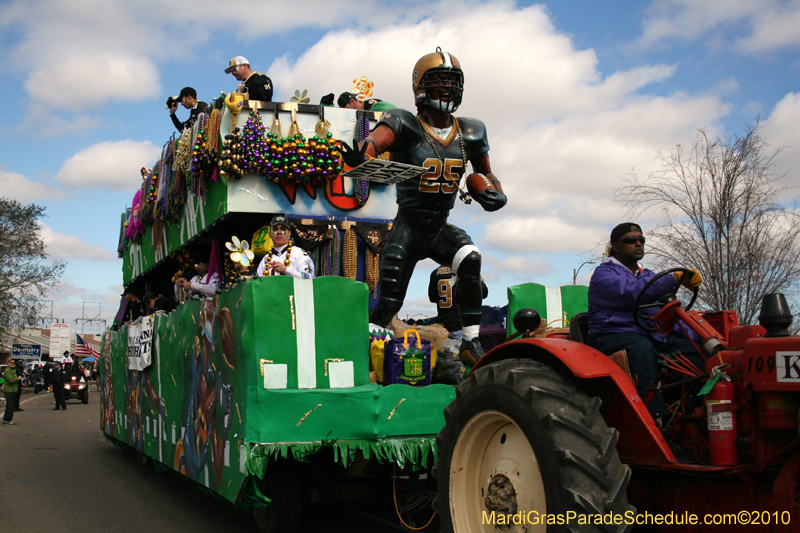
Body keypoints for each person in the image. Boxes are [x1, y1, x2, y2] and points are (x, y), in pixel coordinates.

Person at [343, 48, 507, 366]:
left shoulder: (471, 131)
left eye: (452, 82)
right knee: (389, 306)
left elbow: (487, 174)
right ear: (421, 85)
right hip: (408, 228)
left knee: (471, 258)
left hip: (438, 227)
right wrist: (363, 153)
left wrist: (497, 194)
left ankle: (470, 341)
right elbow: (375, 142)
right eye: (439, 81)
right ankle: (362, 354)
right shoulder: (405, 122)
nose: (447, 89)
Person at [586, 222, 703, 421]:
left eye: (641, 240)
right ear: (615, 247)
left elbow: (666, 313)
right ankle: (655, 418)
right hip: (610, 336)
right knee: (641, 348)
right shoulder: (604, 274)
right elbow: (632, 292)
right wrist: (672, 279)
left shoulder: (648, 275)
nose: (638, 243)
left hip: (646, 335)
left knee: (694, 351)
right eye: (631, 240)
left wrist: (698, 337)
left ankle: (693, 409)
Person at [3, 359, 20, 425]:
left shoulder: (13, 370)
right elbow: (11, 380)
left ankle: (6, 419)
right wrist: (17, 378)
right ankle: (8, 420)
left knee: (9, 405)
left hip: (13, 390)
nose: (13, 364)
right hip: (9, 390)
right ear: (8, 363)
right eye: (11, 362)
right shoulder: (8, 371)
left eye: (13, 362)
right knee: (11, 406)